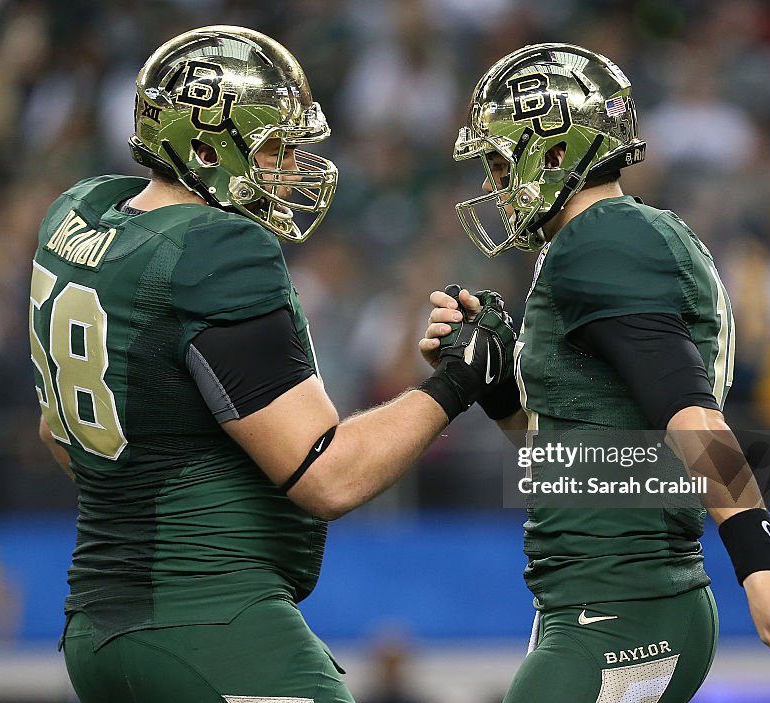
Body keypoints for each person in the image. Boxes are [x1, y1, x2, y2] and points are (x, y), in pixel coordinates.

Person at [30, 26, 506, 703]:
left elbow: (60, 437)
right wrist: (460, 381)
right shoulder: (216, 250)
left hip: (96, 626)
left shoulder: (80, 216)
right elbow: (327, 475)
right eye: (274, 147)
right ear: (204, 147)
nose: (289, 167)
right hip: (208, 622)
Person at [420, 44, 770, 703]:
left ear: (556, 151)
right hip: (605, 598)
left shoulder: (603, 238)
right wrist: (498, 383)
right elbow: (585, 457)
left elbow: (692, 414)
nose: (490, 184)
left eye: (500, 160)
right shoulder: (608, 239)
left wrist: (762, 567)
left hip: (624, 603)